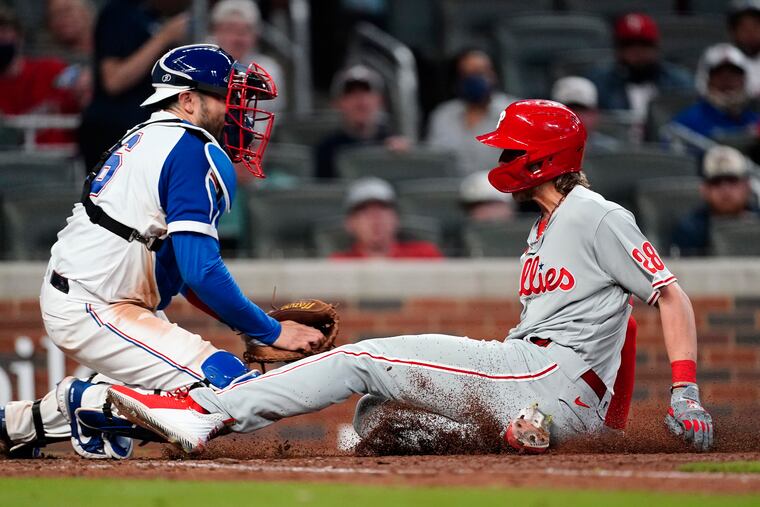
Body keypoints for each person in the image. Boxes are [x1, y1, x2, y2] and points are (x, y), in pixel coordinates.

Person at [107, 100, 714, 454]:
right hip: (548, 393)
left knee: (360, 360)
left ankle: (208, 411)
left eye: (511, 151)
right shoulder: (550, 222)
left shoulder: (594, 213)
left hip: (540, 373)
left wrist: (684, 390)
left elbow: (669, 295)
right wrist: (601, 433)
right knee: (375, 419)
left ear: (545, 159)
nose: (501, 160)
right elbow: (624, 326)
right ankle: (523, 432)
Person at [0, 44, 323, 460]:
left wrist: (247, 326)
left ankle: (20, 424)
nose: (238, 111)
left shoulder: (149, 136)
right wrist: (271, 331)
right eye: (227, 97)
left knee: (208, 392)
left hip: (99, 296)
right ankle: (85, 404)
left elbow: (178, 271)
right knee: (231, 391)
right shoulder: (194, 150)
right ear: (187, 99)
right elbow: (200, 271)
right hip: (97, 304)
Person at [78, 0, 192, 170]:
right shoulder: (119, 13)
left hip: (147, 133)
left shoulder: (154, 15)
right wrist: (163, 38)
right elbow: (114, 81)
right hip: (115, 133)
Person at [427, 48, 517, 175]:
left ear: (493, 74)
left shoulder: (515, 113)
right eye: (466, 74)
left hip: (500, 191)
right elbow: (433, 161)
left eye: (479, 72)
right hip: (451, 189)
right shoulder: (443, 115)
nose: (473, 79)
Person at [587, 13, 692, 121]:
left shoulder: (678, 82)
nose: (637, 52)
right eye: (629, 45)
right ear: (618, 50)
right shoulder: (600, 84)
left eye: (644, 44)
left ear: (656, 47)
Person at [0, 6, 80, 145]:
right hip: (11, 161)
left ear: (19, 37)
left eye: (4, 31)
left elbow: (80, 94)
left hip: (59, 157)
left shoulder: (51, 69)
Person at [315, 64, 409, 179]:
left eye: (366, 91)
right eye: (350, 93)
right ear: (338, 104)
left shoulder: (392, 144)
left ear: (379, 101)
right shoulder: (326, 150)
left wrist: (404, 157)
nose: (360, 100)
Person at [672, 145, 759, 256]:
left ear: (747, 186)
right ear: (704, 190)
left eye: (732, 180)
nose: (725, 189)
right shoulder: (690, 230)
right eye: (716, 182)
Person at [329, 177, 444, 259]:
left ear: (397, 218)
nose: (375, 217)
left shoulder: (424, 256)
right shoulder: (339, 264)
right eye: (364, 211)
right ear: (349, 223)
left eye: (383, 209)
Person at [671, 44, 759, 141]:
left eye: (734, 74)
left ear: (744, 80)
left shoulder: (755, 123)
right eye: (719, 75)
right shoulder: (685, 125)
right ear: (707, 80)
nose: (727, 81)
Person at [210, 0, 286, 111]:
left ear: (256, 35)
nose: (237, 39)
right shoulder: (200, 65)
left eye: (245, 31)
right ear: (216, 32)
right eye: (230, 30)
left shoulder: (268, 70)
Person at [551, 76, 621, 153]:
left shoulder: (611, 151)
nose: (575, 116)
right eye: (568, 110)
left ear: (595, 114)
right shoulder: (547, 151)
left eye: (582, 110)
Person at [727, 0, 760, 97]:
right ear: (732, 30)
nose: (750, 31)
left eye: (755, 25)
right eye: (743, 26)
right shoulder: (718, 58)